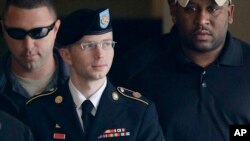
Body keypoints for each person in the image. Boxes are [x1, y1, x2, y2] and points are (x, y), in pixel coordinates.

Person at [22, 8, 165, 141]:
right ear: (66, 55)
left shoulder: (138, 112)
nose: (100, 54)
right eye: (89, 46)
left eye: (107, 44)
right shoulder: (37, 111)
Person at [117, 0, 250, 141]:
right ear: (174, 11)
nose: (202, 20)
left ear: (229, 13)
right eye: (191, 8)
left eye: (212, 9)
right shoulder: (137, 65)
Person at [0, 0, 69, 120]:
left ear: (56, 29)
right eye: (17, 33)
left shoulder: (86, 84)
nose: (28, 45)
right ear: (3, 30)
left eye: (39, 32)